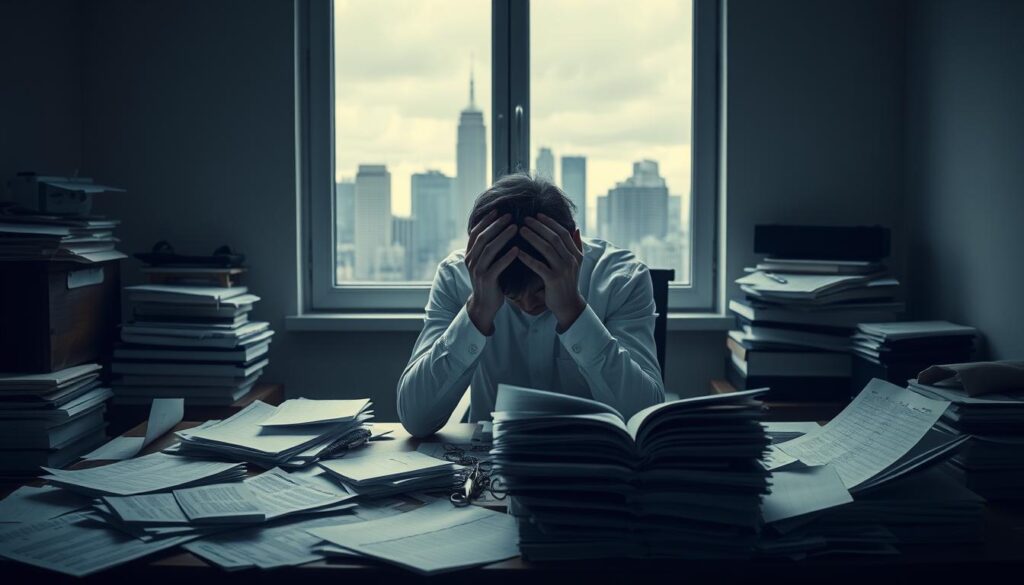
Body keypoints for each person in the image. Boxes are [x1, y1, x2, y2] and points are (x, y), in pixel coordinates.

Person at [397, 173, 665, 437]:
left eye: (540, 289)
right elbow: (415, 418)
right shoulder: (458, 277)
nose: (527, 305)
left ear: (574, 245)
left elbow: (646, 417)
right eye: (512, 295)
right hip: (491, 469)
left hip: (598, 466)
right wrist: (477, 310)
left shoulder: (623, 280)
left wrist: (573, 310)